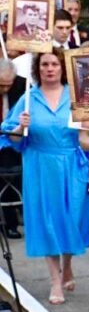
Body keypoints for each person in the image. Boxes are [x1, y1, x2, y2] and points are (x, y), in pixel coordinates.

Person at [1, 53, 89, 304]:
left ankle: (67, 262)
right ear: (38, 68)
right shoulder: (28, 98)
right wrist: (19, 127)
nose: (49, 69)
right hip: (40, 165)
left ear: (62, 67)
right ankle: (55, 280)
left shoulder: (78, 96)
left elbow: (85, 140)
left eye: (54, 64)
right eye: (44, 64)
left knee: (73, 218)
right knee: (48, 220)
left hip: (72, 164)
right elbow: (13, 139)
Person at [0, 59, 26, 239]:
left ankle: (11, 224)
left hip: (14, 140)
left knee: (11, 173)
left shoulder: (22, 86)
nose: (5, 89)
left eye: (8, 85)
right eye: (1, 85)